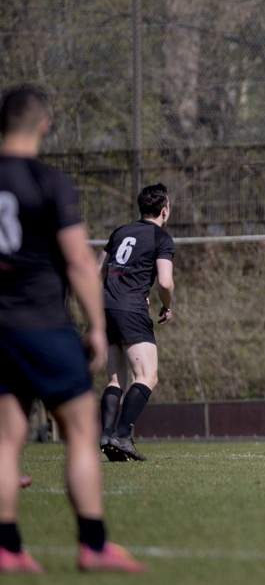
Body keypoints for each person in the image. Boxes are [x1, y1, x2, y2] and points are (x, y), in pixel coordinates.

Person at [0, 86, 146, 574]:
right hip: (44, 323)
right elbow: (81, 262)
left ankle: (7, 549)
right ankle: (95, 545)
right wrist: (98, 326)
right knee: (82, 432)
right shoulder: (49, 182)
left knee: (6, 439)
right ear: (43, 126)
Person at [97, 183, 175, 463]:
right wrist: (166, 306)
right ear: (164, 210)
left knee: (115, 378)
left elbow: (99, 270)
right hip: (131, 309)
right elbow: (165, 282)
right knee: (147, 376)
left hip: (105, 306)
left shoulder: (120, 232)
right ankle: (121, 434)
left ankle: (106, 434)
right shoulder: (161, 238)